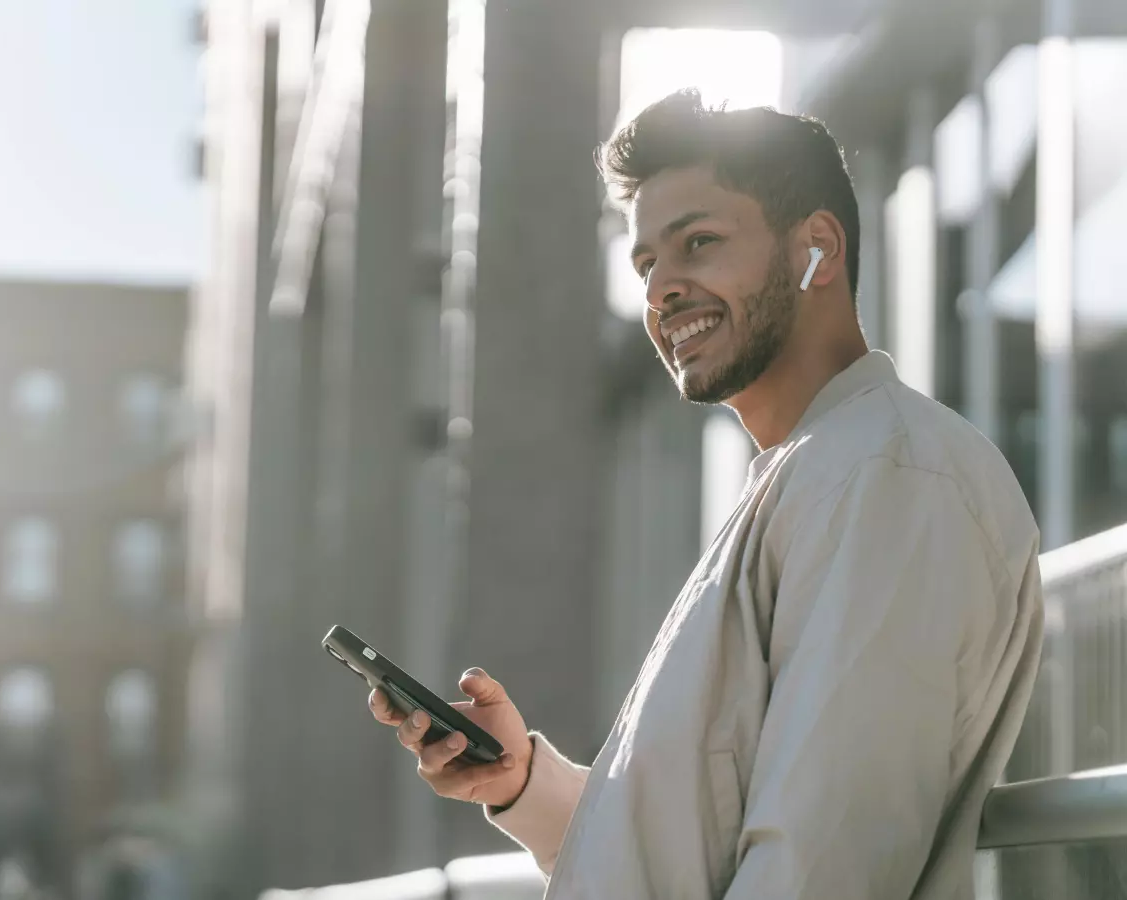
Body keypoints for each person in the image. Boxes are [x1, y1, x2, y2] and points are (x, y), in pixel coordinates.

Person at [368, 89, 1044, 899]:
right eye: (649, 264)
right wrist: (521, 782)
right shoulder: (817, 474)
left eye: (700, 243)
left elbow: (820, 864)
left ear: (816, 250)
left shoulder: (886, 477)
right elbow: (701, 847)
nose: (662, 291)